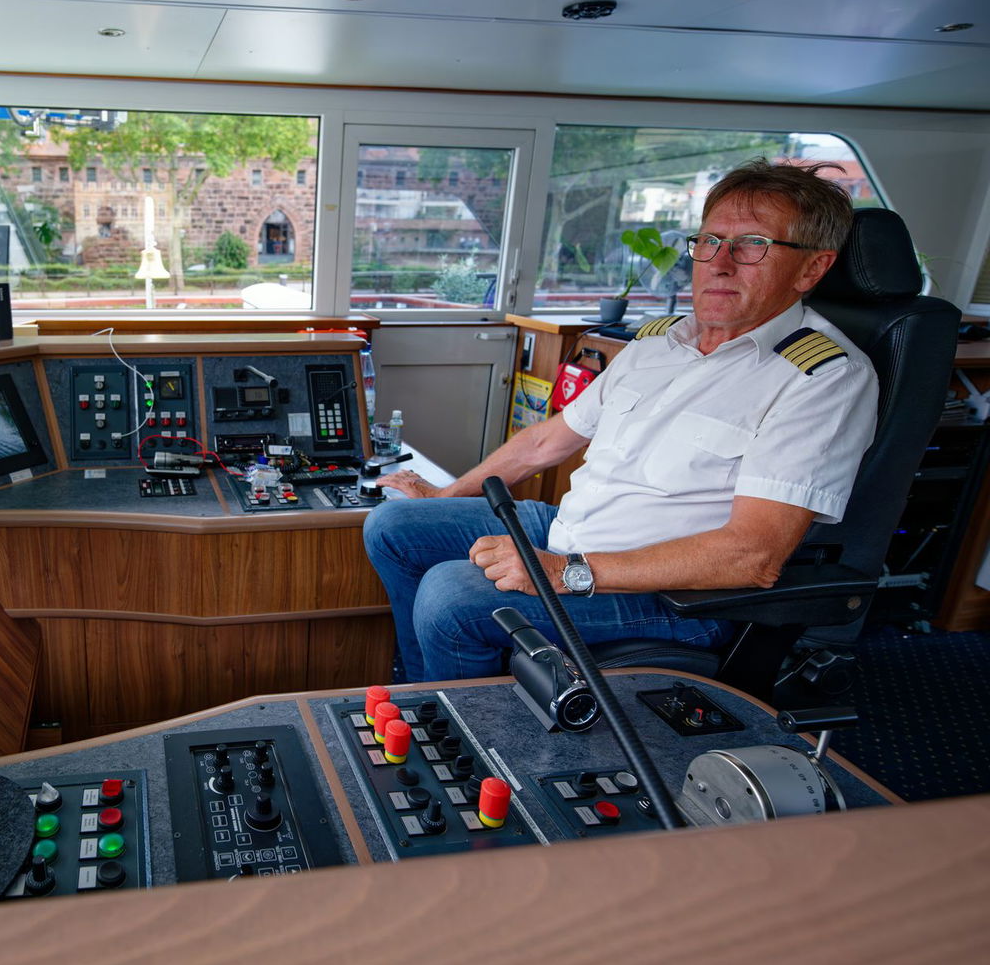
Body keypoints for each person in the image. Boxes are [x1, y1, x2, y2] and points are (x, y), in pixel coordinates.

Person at [363, 158, 878, 683]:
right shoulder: (658, 341)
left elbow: (753, 554)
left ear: (812, 269)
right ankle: (426, 687)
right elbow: (546, 443)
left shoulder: (823, 378)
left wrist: (568, 574)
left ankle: (472, 733)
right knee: (394, 526)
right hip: (572, 532)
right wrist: (449, 497)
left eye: (753, 245)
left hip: (668, 593)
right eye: (710, 241)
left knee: (452, 595)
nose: (721, 263)